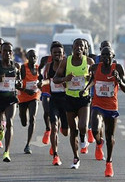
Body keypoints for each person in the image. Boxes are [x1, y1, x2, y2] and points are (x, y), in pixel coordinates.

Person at [80, 46, 125, 177]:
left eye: (108, 55)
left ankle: (109, 163)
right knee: (95, 129)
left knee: (110, 136)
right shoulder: (95, 67)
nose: (106, 57)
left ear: (113, 57)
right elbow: (92, 81)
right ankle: (98, 142)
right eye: (103, 55)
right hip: (97, 104)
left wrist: (119, 80)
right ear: (101, 56)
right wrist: (85, 89)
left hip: (111, 106)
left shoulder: (117, 68)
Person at [53, 38, 94, 169]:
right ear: (72, 47)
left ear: (84, 48)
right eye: (76, 46)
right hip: (69, 98)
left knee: (82, 126)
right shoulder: (66, 61)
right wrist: (65, 78)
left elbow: (94, 80)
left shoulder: (89, 61)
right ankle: (76, 158)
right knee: (73, 130)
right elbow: (55, 79)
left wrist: (87, 86)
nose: (78, 48)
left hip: (83, 98)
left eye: (81, 46)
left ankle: (83, 138)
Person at [38, 42, 69, 165]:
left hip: (66, 100)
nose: (57, 55)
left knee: (66, 132)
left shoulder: (67, 66)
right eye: (55, 52)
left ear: (63, 54)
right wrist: (42, 83)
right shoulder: (49, 66)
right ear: (51, 54)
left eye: (59, 53)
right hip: (54, 100)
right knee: (54, 127)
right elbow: (48, 80)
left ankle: (62, 129)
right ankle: (55, 155)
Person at [38, 41, 62, 145]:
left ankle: (54, 133)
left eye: (58, 51)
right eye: (54, 51)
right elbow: (39, 69)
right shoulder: (45, 59)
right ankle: (48, 129)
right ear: (51, 52)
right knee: (47, 110)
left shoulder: (64, 61)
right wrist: (40, 77)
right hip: (47, 87)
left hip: (59, 90)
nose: (56, 53)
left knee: (57, 116)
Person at [17, 49, 41, 154]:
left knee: (32, 118)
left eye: (35, 57)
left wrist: (40, 85)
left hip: (34, 97)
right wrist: (26, 90)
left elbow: (42, 80)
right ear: (27, 57)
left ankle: (28, 145)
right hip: (23, 97)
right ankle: (23, 118)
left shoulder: (38, 68)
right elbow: (17, 84)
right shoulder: (23, 68)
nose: (33, 59)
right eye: (31, 57)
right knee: (24, 121)